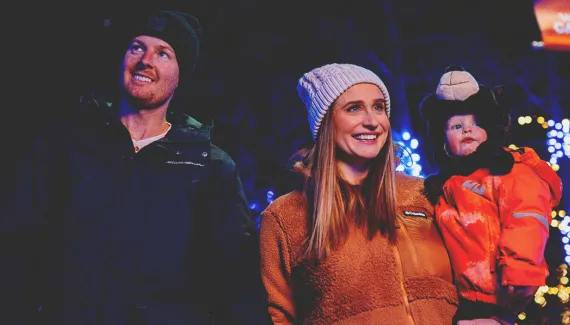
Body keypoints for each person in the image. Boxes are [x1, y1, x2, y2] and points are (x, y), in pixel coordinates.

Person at [0, 9, 268, 325]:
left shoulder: (210, 166)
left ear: (181, 74)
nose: (145, 60)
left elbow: (238, 284)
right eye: (137, 47)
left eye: (164, 53)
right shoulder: (63, 146)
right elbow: (16, 250)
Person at [259, 63, 459, 324]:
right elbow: (278, 315)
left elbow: (479, 271)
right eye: (354, 108)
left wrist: (494, 317)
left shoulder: (424, 193)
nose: (372, 121)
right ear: (325, 123)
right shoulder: (284, 217)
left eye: (379, 107)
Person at [419, 66, 563, 325]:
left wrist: (521, 270)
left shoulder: (509, 171)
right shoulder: (447, 188)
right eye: (456, 126)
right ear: (442, 142)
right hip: (462, 300)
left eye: (476, 124)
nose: (467, 130)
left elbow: (526, 215)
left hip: (505, 292)